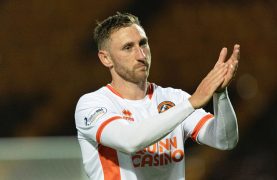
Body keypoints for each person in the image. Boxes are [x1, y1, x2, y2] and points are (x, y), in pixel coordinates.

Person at [75, 12, 239, 180]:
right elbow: (129, 141)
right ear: (106, 58)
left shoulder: (174, 98)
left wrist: (220, 95)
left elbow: (225, 141)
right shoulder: (92, 105)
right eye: (128, 47)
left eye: (143, 43)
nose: (141, 55)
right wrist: (190, 104)